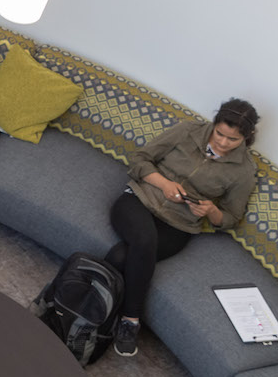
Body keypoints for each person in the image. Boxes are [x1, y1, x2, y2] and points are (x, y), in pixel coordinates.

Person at [105, 98, 260, 357]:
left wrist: (211, 211)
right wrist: (164, 184)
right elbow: (139, 160)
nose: (222, 143)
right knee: (143, 241)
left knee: (121, 256)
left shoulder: (244, 172)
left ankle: (90, 301)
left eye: (232, 140)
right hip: (140, 200)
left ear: (247, 137)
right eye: (219, 133)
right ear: (213, 124)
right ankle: (130, 320)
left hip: (179, 226)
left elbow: (231, 218)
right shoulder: (186, 131)